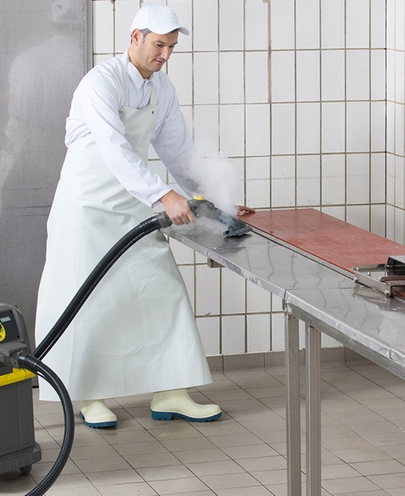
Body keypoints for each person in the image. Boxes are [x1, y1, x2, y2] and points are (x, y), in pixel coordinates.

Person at [34, 3, 253, 429]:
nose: (165, 55)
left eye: (171, 47)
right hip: (87, 209)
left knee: (161, 291)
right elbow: (115, 150)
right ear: (135, 37)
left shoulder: (161, 89)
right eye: (159, 45)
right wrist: (163, 194)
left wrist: (214, 197)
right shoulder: (101, 83)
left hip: (132, 204)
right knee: (85, 300)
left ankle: (171, 391)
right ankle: (87, 394)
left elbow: (178, 153)